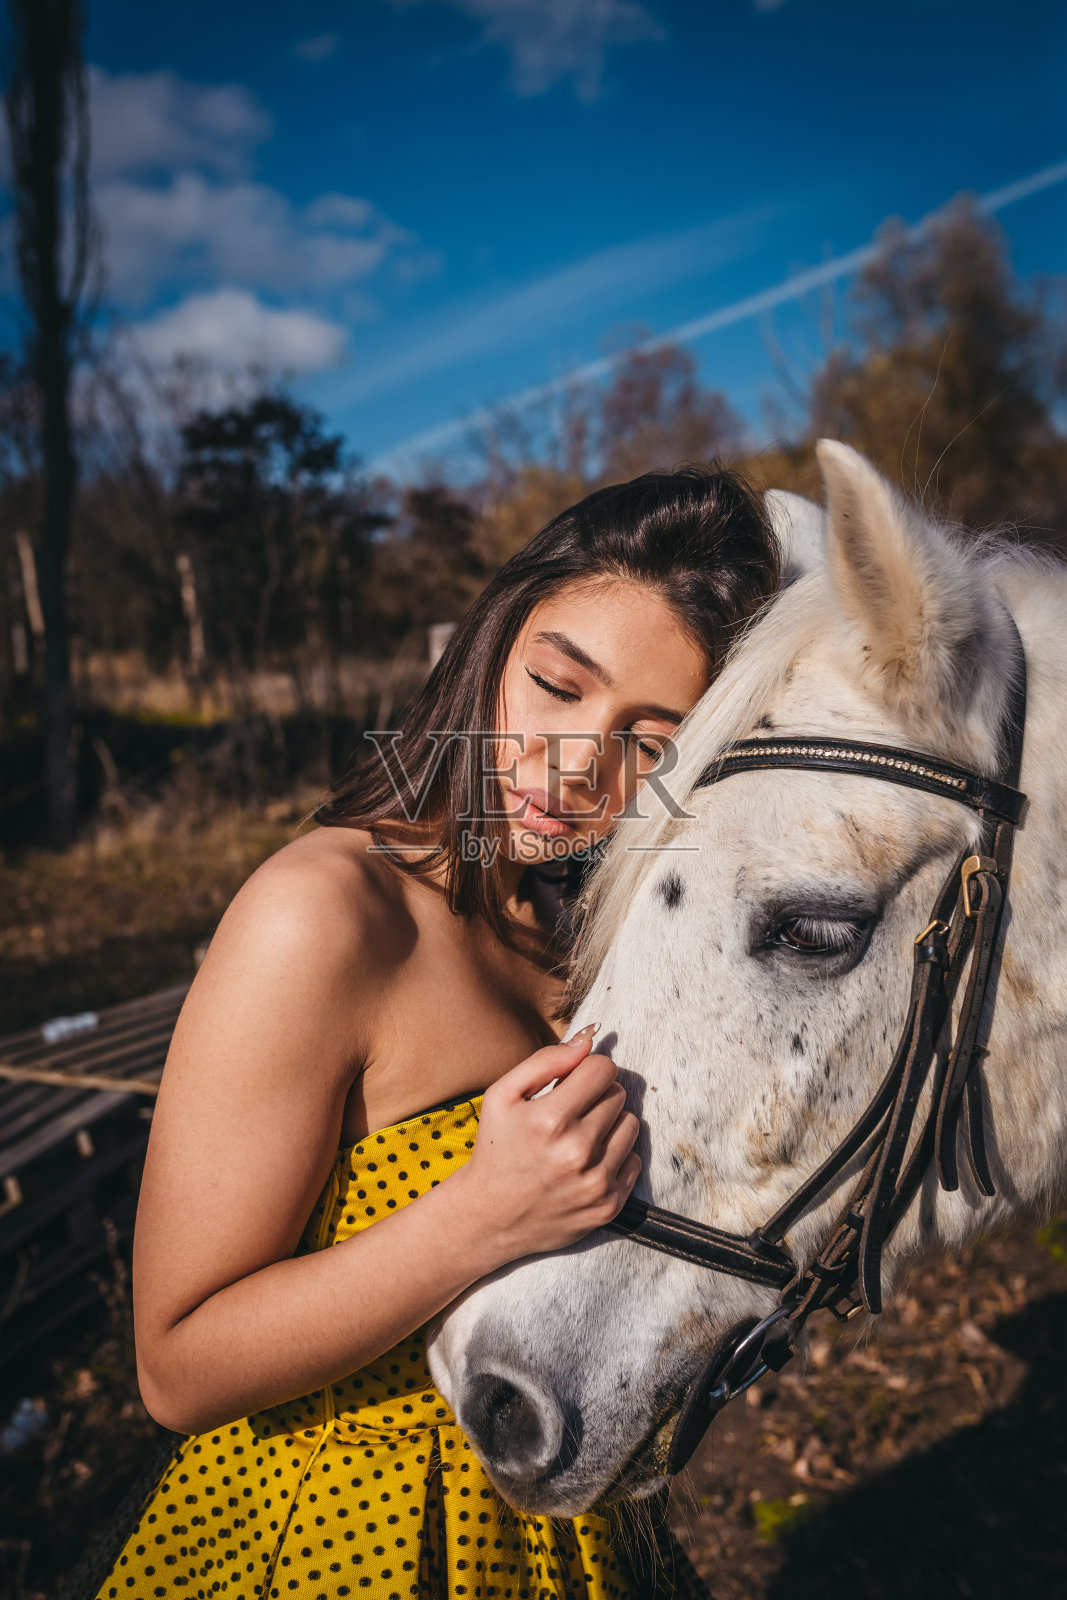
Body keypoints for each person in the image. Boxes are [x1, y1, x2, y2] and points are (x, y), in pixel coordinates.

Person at [89, 465, 779, 1600]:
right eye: (557, 685)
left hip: (563, 1518)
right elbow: (174, 1366)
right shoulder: (321, 917)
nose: (576, 767)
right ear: (491, 641)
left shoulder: (572, 927)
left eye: (648, 744)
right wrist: (478, 1214)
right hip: (346, 1540)